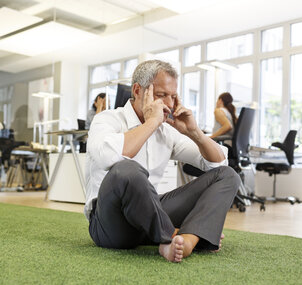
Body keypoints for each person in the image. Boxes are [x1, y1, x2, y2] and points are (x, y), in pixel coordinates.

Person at [85, 60, 241, 263]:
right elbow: (110, 158)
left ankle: (187, 241)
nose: (168, 104)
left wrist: (195, 133)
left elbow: (218, 164)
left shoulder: (167, 131)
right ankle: (176, 234)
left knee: (228, 176)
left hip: (148, 217)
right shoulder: (107, 119)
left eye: (173, 96)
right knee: (126, 169)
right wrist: (151, 122)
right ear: (138, 90)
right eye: (161, 96)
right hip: (110, 226)